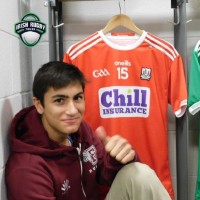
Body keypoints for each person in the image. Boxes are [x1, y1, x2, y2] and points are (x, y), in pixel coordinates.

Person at [5, 61, 171, 200]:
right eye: (60, 100)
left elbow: (104, 174)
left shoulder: (80, 131)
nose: (72, 110)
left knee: (138, 174)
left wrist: (119, 159)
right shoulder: (27, 169)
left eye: (77, 98)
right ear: (39, 104)